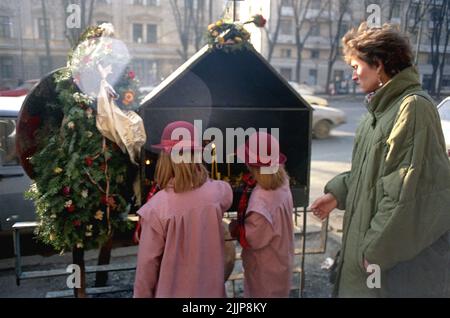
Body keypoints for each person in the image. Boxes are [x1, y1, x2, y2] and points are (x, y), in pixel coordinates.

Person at [310, 22, 450, 298]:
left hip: (387, 270)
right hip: (370, 259)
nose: (353, 75)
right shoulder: (379, 112)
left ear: (379, 63)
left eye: (355, 66)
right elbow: (368, 175)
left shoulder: (413, 108)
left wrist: (373, 252)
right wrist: (338, 195)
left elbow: (407, 194)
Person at [133, 121, 233, 298]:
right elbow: (227, 196)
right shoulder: (218, 192)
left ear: (166, 158)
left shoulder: (156, 209)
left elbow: (146, 270)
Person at [230, 131, 294, 298]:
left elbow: (253, 239)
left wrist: (234, 227)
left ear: (253, 165)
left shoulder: (261, 201)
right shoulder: (283, 183)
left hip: (265, 271)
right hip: (281, 259)